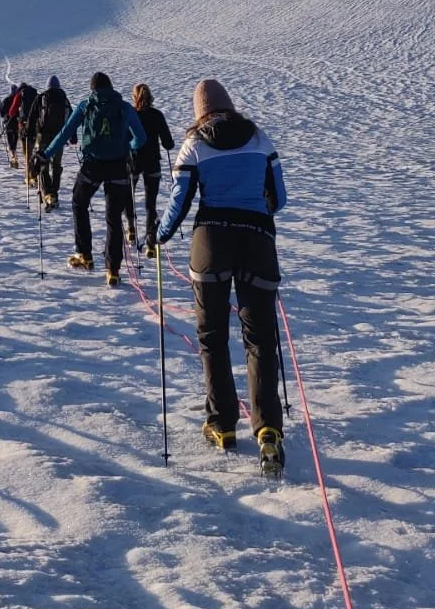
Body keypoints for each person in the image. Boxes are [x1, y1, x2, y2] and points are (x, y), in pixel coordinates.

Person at [156, 79, 287, 469]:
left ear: (200, 112)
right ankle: (268, 430)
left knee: (212, 335)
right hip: (258, 240)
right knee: (261, 337)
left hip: (210, 241)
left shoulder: (195, 144)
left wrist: (159, 236)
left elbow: (179, 200)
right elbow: (278, 198)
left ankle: (223, 424)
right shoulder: (259, 138)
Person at [42, 72, 147, 286]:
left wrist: (46, 154)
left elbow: (64, 133)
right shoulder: (124, 107)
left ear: (92, 89)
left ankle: (85, 255)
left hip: (92, 167)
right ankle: (113, 270)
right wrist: (128, 148)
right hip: (118, 166)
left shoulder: (86, 105)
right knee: (113, 218)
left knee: (79, 203)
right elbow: (141, 138)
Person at [126, 83, 177, 251]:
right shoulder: (157, 115)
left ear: (135, 97)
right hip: (153, 162)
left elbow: (124, 138)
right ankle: (150, 242)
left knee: (129, 196)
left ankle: (131, 229)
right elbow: (168, 143)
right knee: (150, 203)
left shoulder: (130, 115)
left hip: (133, 162)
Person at [30, 75, 71, 209]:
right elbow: (70, 117)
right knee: (57, 164)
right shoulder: (63, 98)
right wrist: (73, 136)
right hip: (59, 136)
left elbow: (32, 116)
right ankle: (54, 193)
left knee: (43, 164)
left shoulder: (42, 97)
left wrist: (29, 132)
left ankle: (46, 193)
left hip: (43, 135)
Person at [2, 86, 24, 168]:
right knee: (16, 139)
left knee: (11, 140)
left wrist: (5, 116)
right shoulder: (20, 99)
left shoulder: (6, 100)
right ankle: (16, 156)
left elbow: (1, 112)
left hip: (9, 123)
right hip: (18, 123)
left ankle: (13, 157)